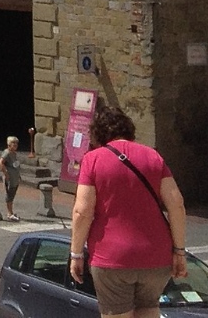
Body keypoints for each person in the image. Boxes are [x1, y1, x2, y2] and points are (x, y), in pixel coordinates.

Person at [69, 105, 188, 318]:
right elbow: (177, 205)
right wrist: (179, 251)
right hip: (156, 256)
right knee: (149, 310)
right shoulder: (153, 157)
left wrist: (76, 253)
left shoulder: (93, 160)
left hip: (111, 256)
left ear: (98, 133)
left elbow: (82, 211)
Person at [0, 135, 24, 220]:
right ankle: (9, 213)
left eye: (16, 143)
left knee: (12, 194)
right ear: (9, 144)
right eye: (13, 143)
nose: (15, 144)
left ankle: (11, 212)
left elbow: (15, 165)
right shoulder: (7, 152)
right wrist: (6, 174)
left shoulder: (14, 153)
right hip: (10, 178)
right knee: (9, 194)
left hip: (15, 177)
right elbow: (0, 163)